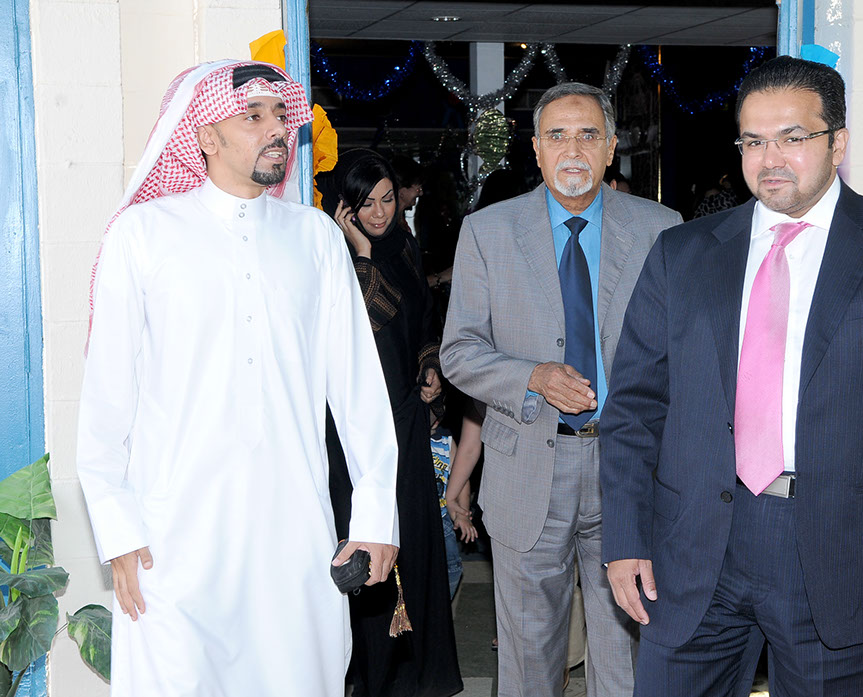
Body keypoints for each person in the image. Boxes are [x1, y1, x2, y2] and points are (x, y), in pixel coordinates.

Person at [600, 56, 863, 697]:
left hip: (842, 553)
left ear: (838, 142)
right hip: (692, 548)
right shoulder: (683, 253)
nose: (770, 158)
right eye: (753, 141)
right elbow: (635, 408)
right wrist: (624, 537)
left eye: (792, 137)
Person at [76, 60, 399, 697]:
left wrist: (373, 521)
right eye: (252, 117)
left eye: (280, 115)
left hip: (293, 535)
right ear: (205, 136)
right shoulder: (143, 235)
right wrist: (117, 531)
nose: (275, 129)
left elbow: (360, 394)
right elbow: (107, 402)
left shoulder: (315, 237)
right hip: (173, 539)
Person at [441, 81, 683, 697]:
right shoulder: (488, 231)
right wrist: (533, 377)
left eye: (587, 135)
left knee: (628, 658)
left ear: (611, 148)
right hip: (527, 468)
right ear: (536, 148)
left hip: (631, 469)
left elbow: (684, 354)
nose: (572, 150)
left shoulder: (661, 229)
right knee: (529, 664)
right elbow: (459, 353)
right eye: (557, 136)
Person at [322, 149, 463, 697]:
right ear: (345, 208)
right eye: (367, 204)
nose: (380, 213)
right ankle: (372, 678)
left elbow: (422, 320)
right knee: (368, 543)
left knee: (416, 542)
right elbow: (358, 331)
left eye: (387, 200)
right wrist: (359, 254)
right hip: (355, 433)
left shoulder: (403, 246)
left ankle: (418, 675)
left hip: (404, 419)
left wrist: (430, 369)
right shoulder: (331, 257)